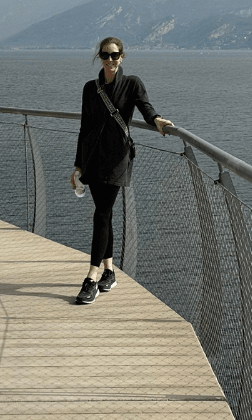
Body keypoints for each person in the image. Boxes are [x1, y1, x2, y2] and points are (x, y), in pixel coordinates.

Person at [70, 36, 172, 304]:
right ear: (99, 57)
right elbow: (84, 128)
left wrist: (158, 120)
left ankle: (91, 277)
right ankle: (109, 272)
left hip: (117, 160)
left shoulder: (132, 83)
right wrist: (77, 165)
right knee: (105, 215)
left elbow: (146, 108)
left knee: (101, 214)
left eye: (115, 55)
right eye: (105, 55)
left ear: (122, 57)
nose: (110, 60)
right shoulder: (90, 89)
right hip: (93, 158)